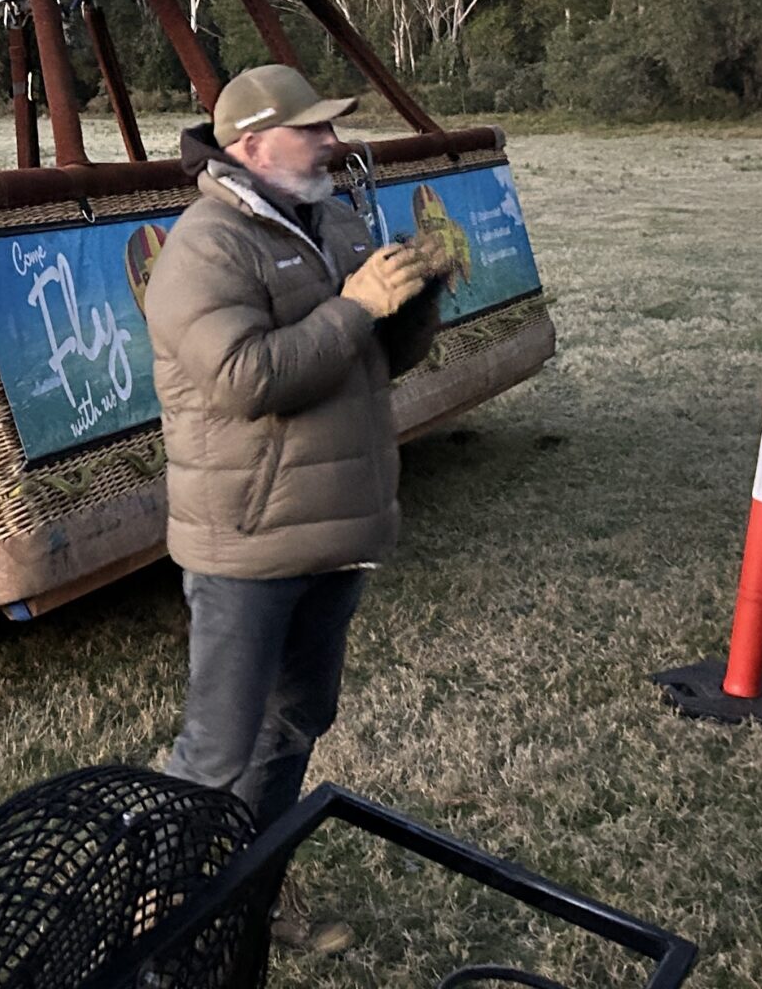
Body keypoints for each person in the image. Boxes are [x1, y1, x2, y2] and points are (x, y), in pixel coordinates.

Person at [143, 64, 443, 943]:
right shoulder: (204, 247)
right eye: (311, 128)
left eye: (330, 126)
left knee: (298, 725)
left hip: (338, 531)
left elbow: (382, 358)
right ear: (250, 144)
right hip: (248, 544)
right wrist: (356, 307)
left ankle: (250, 900)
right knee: (215, 755)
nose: (331, 141)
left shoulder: (336, 220)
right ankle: (159, 920)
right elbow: (247, 381)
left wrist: (422, 295)